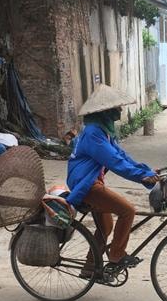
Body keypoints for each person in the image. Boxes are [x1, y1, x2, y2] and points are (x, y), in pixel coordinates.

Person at [65, 84, 159, 271]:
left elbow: (122, 156)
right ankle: (117, 255)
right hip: (86, 185)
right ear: (105, 112)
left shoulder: (104, 132)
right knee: (128, 211)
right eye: (116, 108)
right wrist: (141, 177)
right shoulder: (93, 133)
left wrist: (147, 172)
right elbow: (114, 162)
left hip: (93, 182)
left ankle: (90, 268)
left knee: (105, 228)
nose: (120, 110)